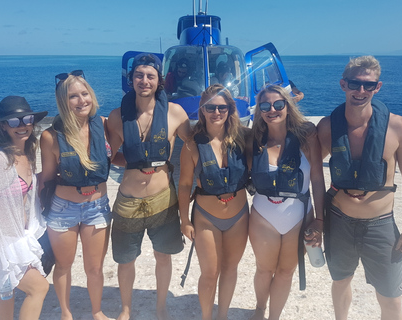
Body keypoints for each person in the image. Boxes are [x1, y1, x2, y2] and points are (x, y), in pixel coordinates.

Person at [317, 56, 402, 320]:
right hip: (339, 221)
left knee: (390, 297)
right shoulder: (328, 127)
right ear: (343, 84)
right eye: (354, 84)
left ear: (378, 87)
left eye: (368, 85)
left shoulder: (398, 127)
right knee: (340, 282)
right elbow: (310, 168)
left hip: (380, 224)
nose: (360, 91)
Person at [107, 53, 191, 320]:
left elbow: (195, 148)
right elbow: (109, 155)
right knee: (125, 259)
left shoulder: (175, 113)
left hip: (162, 199)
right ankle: (126, 309)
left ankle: (161, 307)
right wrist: (135, 163)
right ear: (131, 79)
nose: (144, 81)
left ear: (159, 81)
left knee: (163, 256)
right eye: (139, 75)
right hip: (128, 200)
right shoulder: (117, 117)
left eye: (150, 76)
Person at [247, 84, 325, 320]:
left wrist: (320, 219)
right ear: (259, 111)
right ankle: (260, 310)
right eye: (265, 105)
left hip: (299, 216)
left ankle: (274, 317)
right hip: (263, 217)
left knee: (285, 271)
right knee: (264, 269)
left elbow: (318, 178)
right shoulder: (252, 140)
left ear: (288, 107)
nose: (272, 109)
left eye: (278, 104)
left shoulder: (307, 135)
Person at [40, 70, 111, 320]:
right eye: (73, 96)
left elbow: (124, 150)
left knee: (94, 267)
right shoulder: (50, 137)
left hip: (97, 207)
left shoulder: (103, 125)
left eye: (85, 93)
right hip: (63, 208)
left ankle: (97, 311)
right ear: (63, 101)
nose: (82, 100)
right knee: (63, 265)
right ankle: (66, 314)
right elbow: (47, 178)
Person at [0, 96, 49, 320]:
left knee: (6, 287)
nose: (22, 125)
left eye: (27, 119)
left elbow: (27, 189)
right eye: (14, 122)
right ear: (3, 127)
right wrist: (0, 259)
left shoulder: (27, 152)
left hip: (16, 233)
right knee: (38, 288)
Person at [178, 84, 250, 320]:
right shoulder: (191, 144)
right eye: (211, 107)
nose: (216, 112)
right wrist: (184, 220)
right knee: (210, 273)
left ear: (230, 109)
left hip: (239, 216)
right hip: (206, 217)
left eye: (222, 107)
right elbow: (185, 185)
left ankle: (223, 315)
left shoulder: (243, 139)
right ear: (202, 109)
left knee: (230, 269)